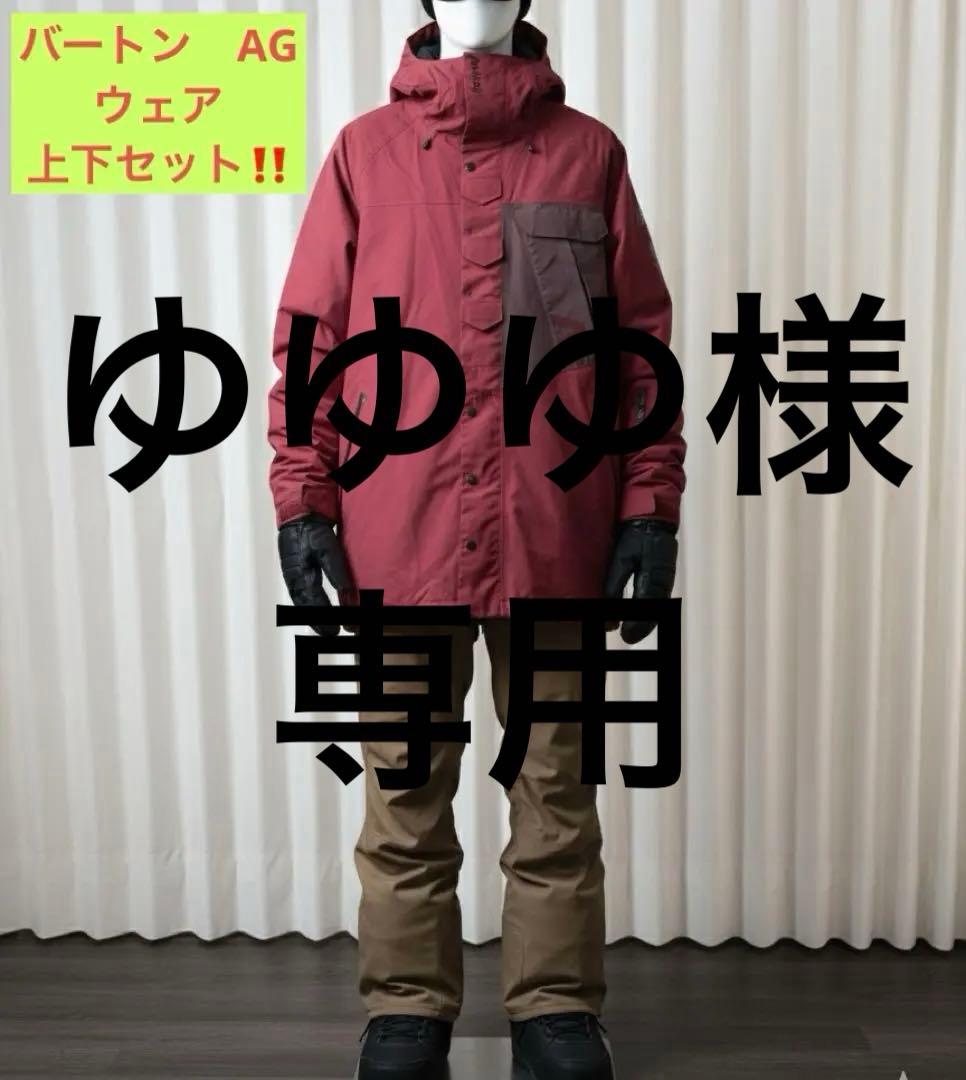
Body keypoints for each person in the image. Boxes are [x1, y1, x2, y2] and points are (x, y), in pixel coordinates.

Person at [268, 3, 685, 1076]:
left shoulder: (588, 154)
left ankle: (557, 1011)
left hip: (557, 527)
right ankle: (407, 1011)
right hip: (399, 526)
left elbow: (638, 346)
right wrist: (302, 498)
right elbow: (311, 338)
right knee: (405, 787)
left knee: (557, 788)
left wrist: (649, 503)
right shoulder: (364, 154)